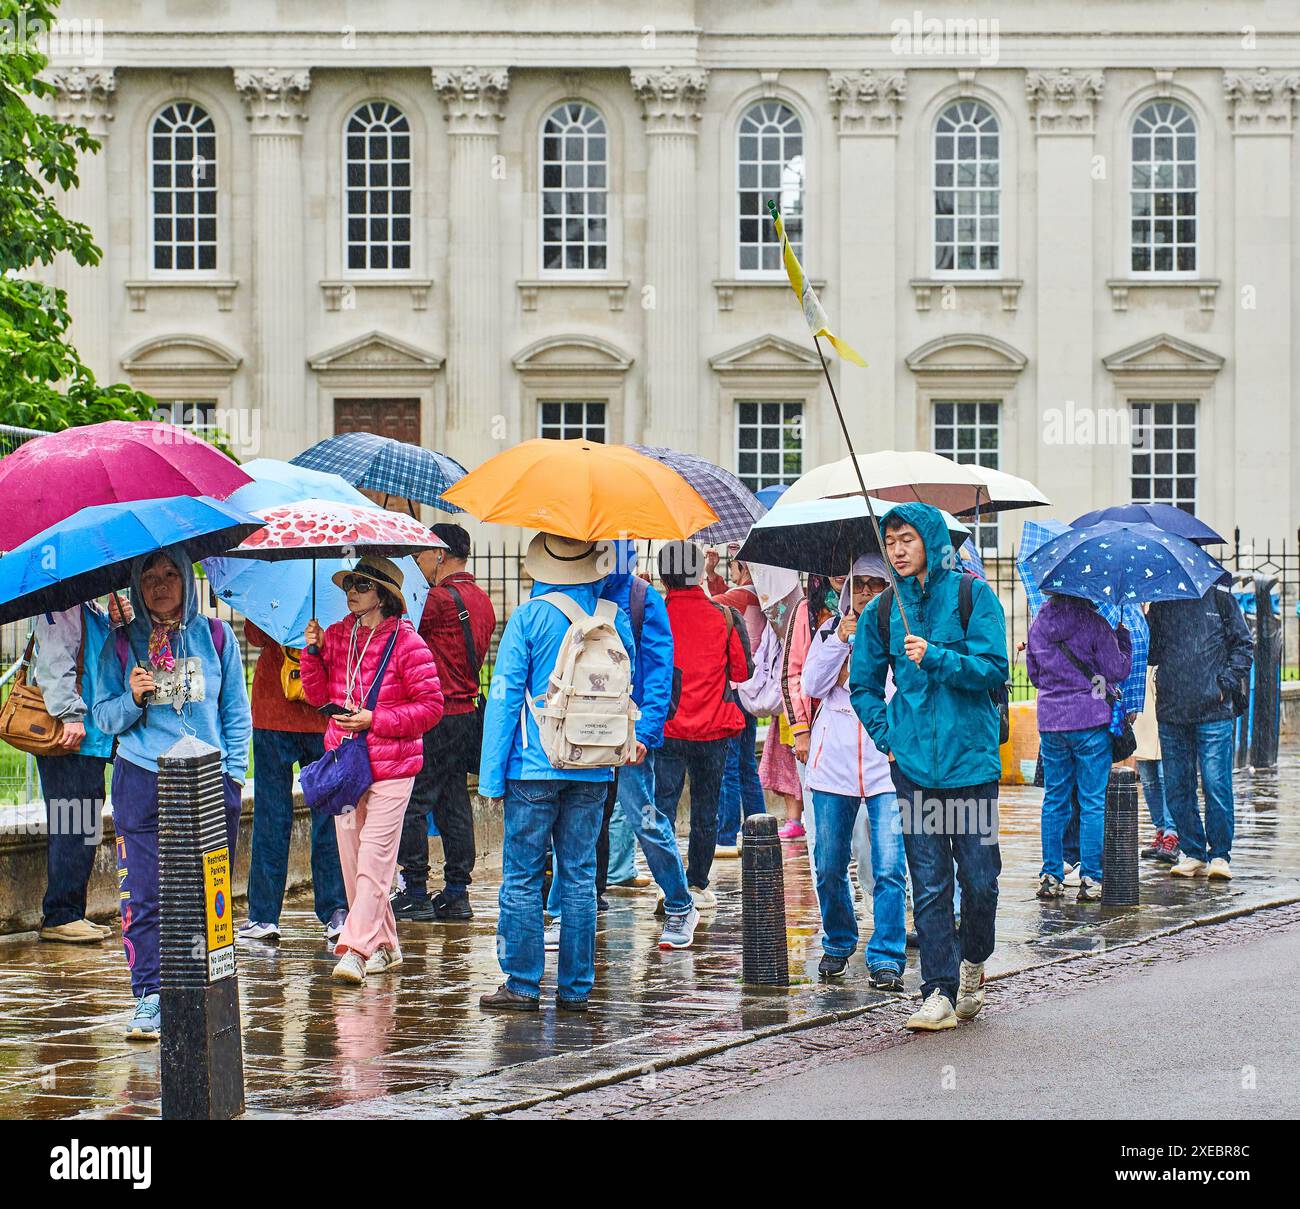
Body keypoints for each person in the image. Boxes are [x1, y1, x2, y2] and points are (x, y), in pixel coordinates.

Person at [850, 503, 1008, 1032]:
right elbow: (864, 686)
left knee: (981, 881)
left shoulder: (972, 596)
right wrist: (887, 737)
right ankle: (938, 988)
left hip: (972, 765)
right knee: (931, 883)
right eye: (889, 540)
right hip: (914, 768)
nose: (896, 549)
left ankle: (973, 960)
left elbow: (993, 668)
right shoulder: (880, 613)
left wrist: (936, 656)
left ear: (932, 540)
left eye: (906, 539)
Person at [93, 548, 251, 1041]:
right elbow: (102, 717)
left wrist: (233, 778)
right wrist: (132, 698)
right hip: (141, 776)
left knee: (208, 892)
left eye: (170, 575)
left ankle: (204, 982)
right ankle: (149, 994)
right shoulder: (120, 646)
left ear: (187, 578)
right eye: (149, 577)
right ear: (136, 585)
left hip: (206, 779)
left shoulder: (217, 636)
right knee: (143, 892)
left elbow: (235, 715)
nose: (161, 586)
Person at [478, 534, 640, 1012]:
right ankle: (576, 988)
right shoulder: (615, 618)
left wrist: (491, 776)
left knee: (524, 875)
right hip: (594, 766)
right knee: (579, 875)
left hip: (534, 764)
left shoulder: (530, 617)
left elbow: (505, 696)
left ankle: (523, 983)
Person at [301, 558, 443, 984]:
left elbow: (431, 707)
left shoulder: (409, 644)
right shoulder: (337, 635)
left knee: (375, 859)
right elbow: (316, 694)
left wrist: (375, 720)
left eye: (361, 585)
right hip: (346, 764)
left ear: (383, 594)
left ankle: (354, 947)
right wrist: (311, 653)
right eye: (350, 583)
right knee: (351, 861)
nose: (351, 591)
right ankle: (386, 944)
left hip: (393, 767)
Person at [551, 541, 699, 950]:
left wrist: (648, 734)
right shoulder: (569, 589)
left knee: (644, 817)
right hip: (583, 726)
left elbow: (657, 668)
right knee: (576, 819)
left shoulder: (640, 596)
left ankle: (680, 903)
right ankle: (560, 908)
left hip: (629, 728)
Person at [801, 558, 907, 989]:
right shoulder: (829, 631)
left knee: (888, 866)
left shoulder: (901, 634)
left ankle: (886, 954)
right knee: (828, 864)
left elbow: (899, 691)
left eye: (875, 584)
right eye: (858, 584)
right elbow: (811, 685)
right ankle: (840, 940)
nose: (865, 592)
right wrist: (839, 643)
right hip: (834, 767)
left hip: (885, 765)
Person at [393, 523, 496, 922]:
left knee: (413, 801)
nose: (417, 564)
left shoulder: (436, 602)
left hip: (436, 715)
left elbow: (401, 632)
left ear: (439, 554)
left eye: (419, 556)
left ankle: (415, 890)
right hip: (467, 714)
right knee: (455, 802)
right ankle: (457, 892)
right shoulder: (483, 600)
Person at [237, 620, 348, 944]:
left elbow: (255, 635)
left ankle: (263, 915)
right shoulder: (337, 592)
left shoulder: (271, 587)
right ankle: (336, 910)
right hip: (325, 712)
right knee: (330, 817)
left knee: (271, 815)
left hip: (273, 711)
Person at [654, 541, 751, 909]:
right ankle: (697, 883)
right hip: (713, 729)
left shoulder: (655, 617)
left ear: (665, 576)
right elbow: (742, 671)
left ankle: (668, 882)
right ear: (699, 571)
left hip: (668, 728)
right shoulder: (725, 616)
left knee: (662, 807)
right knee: (705, 808)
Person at [1026, 594, 1132, 902]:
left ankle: (1050, 875)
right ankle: (1090, 878)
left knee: (1055, 799)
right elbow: (1116, 671)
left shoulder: (1039, 625)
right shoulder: (1096, 624)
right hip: (1090, 721)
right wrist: (1123, 640)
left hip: (1052, 724)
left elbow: (1034, 676)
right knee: (1092, 801)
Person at [1147, 586, 1253, 879]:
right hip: (1172, 709)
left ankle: (1219, 854)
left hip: (1213, 711)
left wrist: (1226, 683)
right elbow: (1152, 654)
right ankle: (1194, 851)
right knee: (1178, 786)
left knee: (1215, 783)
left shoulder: (1221, 601)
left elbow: (1244, 645)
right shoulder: (1161, 603)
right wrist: (1142, 625)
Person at [27, 602, 117, 945]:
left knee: (84, 821)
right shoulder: (61, 606)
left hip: (90, 735)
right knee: (72, 822)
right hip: (72, 734)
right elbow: (54, 662)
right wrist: (69, 714)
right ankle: (61, 915)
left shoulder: (87, 607)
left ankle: (71, 912)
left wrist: (112, 619)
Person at [705, 547, 765, 852]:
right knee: (746, 766)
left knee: (729, 765)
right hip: (752, 692)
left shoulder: (743, 595)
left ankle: (726, 836)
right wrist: (712, 574)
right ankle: (759, 829)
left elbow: (706, 606)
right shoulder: (762, 595)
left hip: (735, 690)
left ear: (744, 567)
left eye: (733, 566)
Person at [781, 574, 845, 842]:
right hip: (818, 729)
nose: (840, 570)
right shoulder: (807, 611)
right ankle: (826, 884)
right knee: (821, 830)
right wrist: (801, 731)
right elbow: (791, 674)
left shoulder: (877, 605)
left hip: (865, 730)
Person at [1134, 665, 1176, 863]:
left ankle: (1172, 833)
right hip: (1142, 721)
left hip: (1165, 719)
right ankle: (1160, 829)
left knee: (1165, 778)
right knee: (1149, 781)